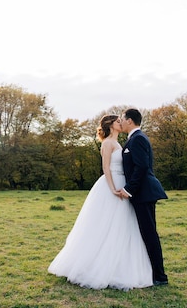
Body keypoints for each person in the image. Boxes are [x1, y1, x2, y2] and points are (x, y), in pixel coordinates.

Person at [48, 114, 153, 290]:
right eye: (118, 121)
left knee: (123, 225)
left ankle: (119, 265)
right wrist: (112, 188)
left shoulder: (120, 143)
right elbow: (106, 168)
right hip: (110, 186)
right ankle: (94, 266)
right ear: (110, 125)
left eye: (121, 120)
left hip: (123, 185)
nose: (121, 123)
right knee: (105, 225)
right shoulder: (107, 143)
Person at [116, 108, 169, 286]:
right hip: (143, 193)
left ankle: (160, 277)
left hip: (144, 193)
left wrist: (128, 189)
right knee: (148, 233)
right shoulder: (135, 139)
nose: (121, 122)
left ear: (130, 120)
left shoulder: (138, 139)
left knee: (149, 234)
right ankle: (153, 273)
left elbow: (142, 167)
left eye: (122, 119)